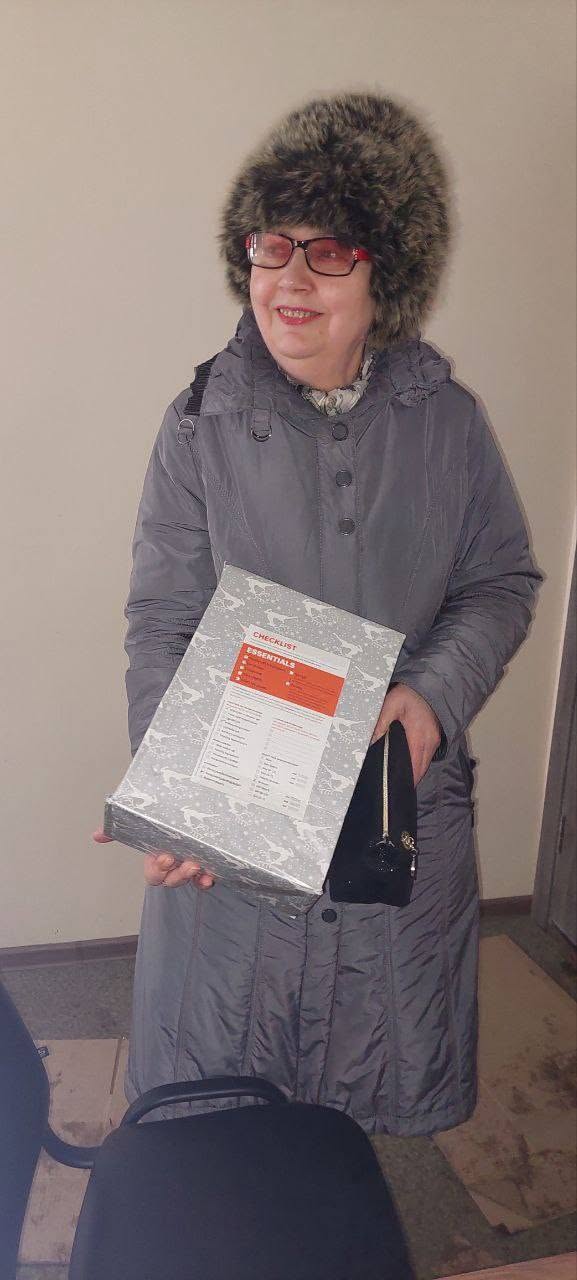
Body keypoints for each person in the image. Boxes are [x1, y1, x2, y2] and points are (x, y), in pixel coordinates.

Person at [94, 92, 540, 1137]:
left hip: (391, 812)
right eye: (271, 245)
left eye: (329, 250)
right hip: (242, 833)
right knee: (228, 1120)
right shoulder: (198, 424)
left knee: (360, 1109)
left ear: (387, 273)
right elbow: (162, 621)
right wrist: (179, 795)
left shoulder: (449, 425)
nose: (290, 278)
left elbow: (500, 580)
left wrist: (431, 698)